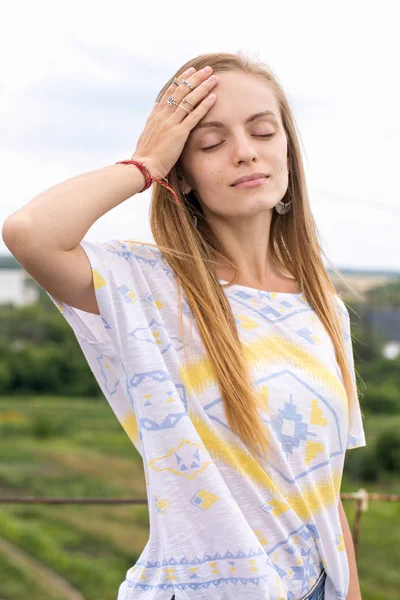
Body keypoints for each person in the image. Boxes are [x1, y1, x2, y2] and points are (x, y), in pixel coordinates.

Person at [2, 51, 366, 600]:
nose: (245, 152)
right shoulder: (150, 288)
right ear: (185, 174)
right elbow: (30, 233)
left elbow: (325, 489)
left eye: (263, 132)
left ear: (287, 148)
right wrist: (144, 163)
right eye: (212, 143)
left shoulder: (324, 307)